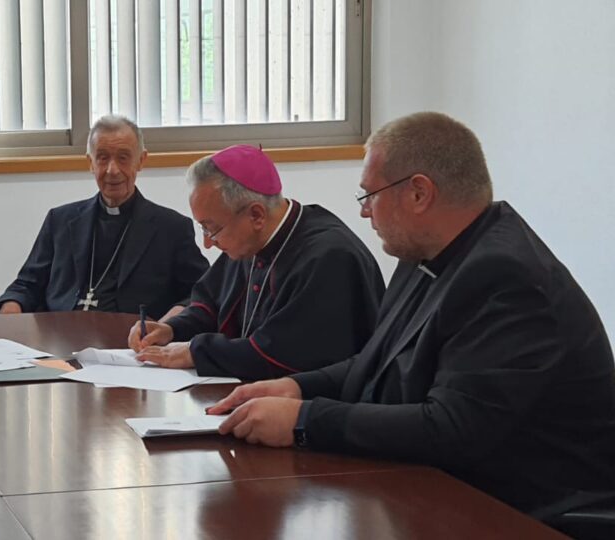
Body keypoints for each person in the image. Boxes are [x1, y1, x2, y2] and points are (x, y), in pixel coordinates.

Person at [208, 112, 615, 525]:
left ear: (419, 194)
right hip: (444, 487)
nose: (365, 213)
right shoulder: (425, 253)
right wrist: (294, 388)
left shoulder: (506, 277)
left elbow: (452, 428)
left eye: (370, 194)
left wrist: (304, 420)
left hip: (529, 511)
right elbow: (377, 363)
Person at [129, 145, 384, 380]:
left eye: (212, 229)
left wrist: (195, 352)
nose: (208, 243)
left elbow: (287, 354)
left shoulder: (330, 258)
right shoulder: (251, 241)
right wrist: (170, 330)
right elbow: (211, 304)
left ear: (256, 215)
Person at [0, 115, 209, 318]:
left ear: (141, 161)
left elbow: (200, 293)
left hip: (130, 345)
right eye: (102, 158)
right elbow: (28, 284)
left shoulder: (171, 228)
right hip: (60, 340)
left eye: (123, 158)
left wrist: (168, 322)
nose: (112, 170)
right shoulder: (60, 220)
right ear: (90, 162)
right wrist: (10, 311)